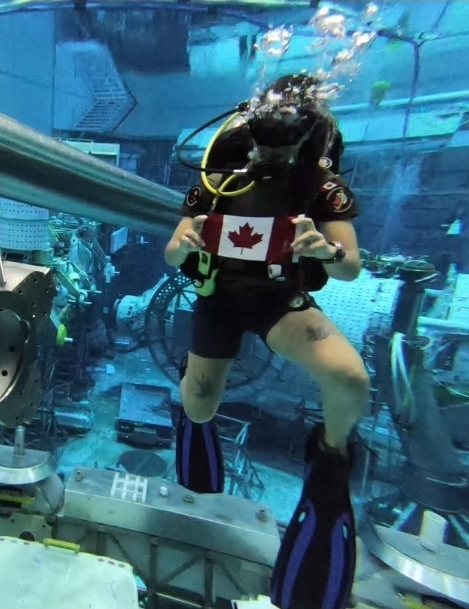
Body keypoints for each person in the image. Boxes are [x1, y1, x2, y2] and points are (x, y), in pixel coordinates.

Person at [165, 74, 370, 609]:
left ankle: (330, 457)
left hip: (279, 300)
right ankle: (192, 392)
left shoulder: (320, 187)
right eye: (261, 144)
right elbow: (172, 251)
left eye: (282, 147)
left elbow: (350, 266)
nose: (268, 157)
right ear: (248, 133)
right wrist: (184, 242)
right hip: (217, 296)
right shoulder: (217, 181)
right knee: (200, 407)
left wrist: (324, 250)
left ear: (306, 140)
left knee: (350, 379)